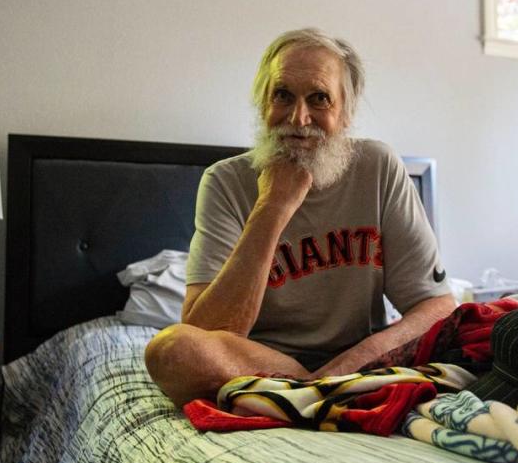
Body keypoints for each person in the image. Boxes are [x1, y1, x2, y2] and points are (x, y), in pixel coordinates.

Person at [145, 28, 455, 407]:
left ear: (346, 113)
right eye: (283, 95)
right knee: (171, 350)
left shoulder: (378, 167)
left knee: (492, 332)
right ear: (262, 104)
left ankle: (308, 394)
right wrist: (273, 206)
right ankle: (309, 391)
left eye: (319, 98)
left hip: (359, 363)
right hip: (257, 365)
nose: (298, 117)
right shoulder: (224, 182)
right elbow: (206, 331)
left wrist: (342, 370)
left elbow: (436, 306)